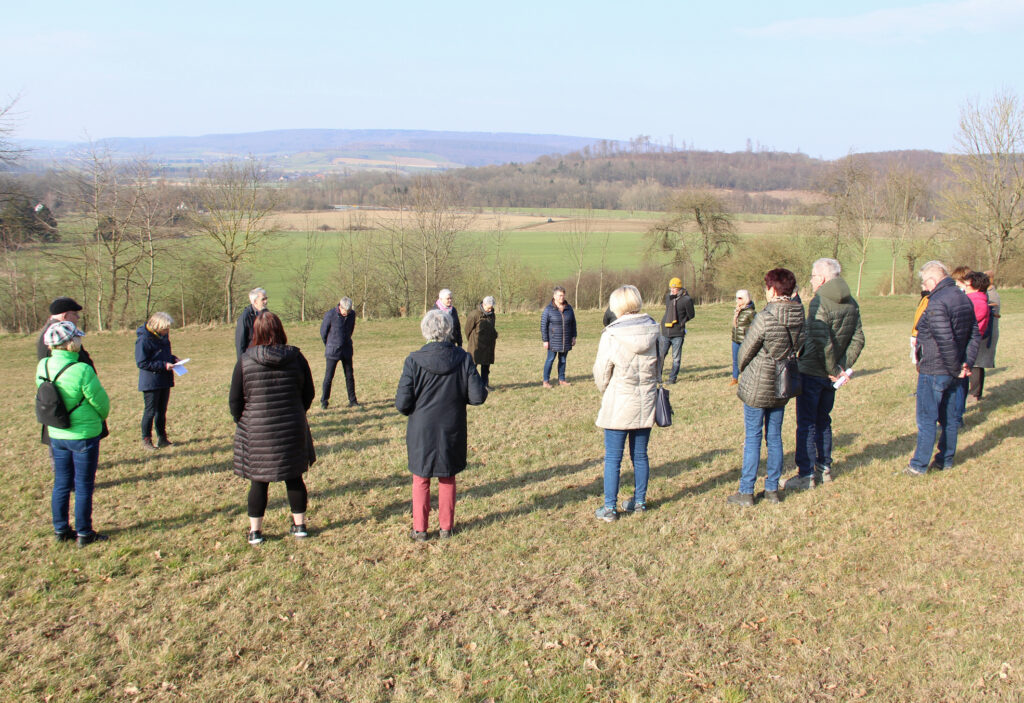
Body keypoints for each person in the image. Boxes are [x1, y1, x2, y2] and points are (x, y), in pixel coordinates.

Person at [396, 310, 487, 541]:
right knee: (447, 477)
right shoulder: (463, 358)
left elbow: (402, 404)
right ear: (448, 330)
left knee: (421, 478)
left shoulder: (413, 360)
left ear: (425, 330)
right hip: (451, 427)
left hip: (421, 429)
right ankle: (446, 528)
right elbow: (477, 396)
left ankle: (420, 530)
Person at [229, 311, 315, 544]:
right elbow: (308, 393)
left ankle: (255, 531)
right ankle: (300, 525)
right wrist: (296, 412)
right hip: (290, 427)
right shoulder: (297, 358)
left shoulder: (245, 361)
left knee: (259, 481)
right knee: (294, 478)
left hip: (258, 431)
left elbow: (235, 401)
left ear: (256, 332)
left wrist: (246, 422)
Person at [784, 259, 865, 491]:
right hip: (831, 374)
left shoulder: (819, 301)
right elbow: (858, 338)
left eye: (812, 276)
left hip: (813, 371)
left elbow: (821, 342)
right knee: (823, 420)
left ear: (821, 278)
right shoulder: (852, 302)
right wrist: (841, 367)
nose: (810, 280)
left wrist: (834, 369)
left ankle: (806, 475)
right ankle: (824, 468)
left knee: (807, 423)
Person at [728, 268, 805, 506]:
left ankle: (746, 491)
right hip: (782, 383)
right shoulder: (800, 315)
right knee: (775, 437)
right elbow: (800, 345)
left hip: (757, 384)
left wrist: (741, 370)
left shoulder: (765, 317)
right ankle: (772, 489)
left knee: (753, 437)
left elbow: (745, 352)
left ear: (772, 290)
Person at [36, 321, 110, 547]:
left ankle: (60, 529)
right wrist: (98, 417)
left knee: (61, 482)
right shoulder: (82, 369)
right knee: (83, 484)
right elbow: (102, 404)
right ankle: (84, 533)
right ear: (70, 343)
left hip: (57, 433)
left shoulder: (43, 366)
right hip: (84, 434)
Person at [592, 285, 660, 522]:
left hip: (619, 401)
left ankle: (610, 508)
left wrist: (606, 389)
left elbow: (601, 374)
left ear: (617, 306)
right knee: (640, 455)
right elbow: (659, 367)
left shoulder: (611, 334)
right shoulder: (655, 330)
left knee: (613, 457)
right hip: (646, 400)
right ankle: (639, 502)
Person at [906, 261, 980, 475]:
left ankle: (919, 465)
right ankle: (945, 460)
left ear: (933, 280)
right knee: (949, 419)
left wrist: (957, 366)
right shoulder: (962, 297)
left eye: (924, 283)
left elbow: (944, 339)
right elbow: (975, 334)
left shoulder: (937, 301)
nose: (923, 287)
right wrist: (967, 362)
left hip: (937, 369)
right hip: (955, 369)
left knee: (927, 419)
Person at [37, 297, 107, 444]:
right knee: (63, 449)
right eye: (75, 314)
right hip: (66, 402)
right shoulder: (54, 334)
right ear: (64, 316)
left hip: (72, 398)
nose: (77, 317)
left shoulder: (60, 331)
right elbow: (52, 374)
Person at [135, 312, 179, 451]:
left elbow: (163, 354)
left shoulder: (163, 336)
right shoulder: (143, 340)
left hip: (164, 378)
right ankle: (146, 440)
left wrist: (173, 359)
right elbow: (142, 362)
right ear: (156, 326)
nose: (167, 332)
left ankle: (162, 438)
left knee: (162, 411)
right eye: (165, 329)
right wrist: (163, 365)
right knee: (150, 411)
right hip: (151, 381)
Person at [320, 296, 358, 409]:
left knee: (349, 376)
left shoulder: (352, 315)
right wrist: (329, 344)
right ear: (340, 307)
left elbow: (351, 330)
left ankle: (353, 400)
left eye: (349, 311)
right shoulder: (330, 315)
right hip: (332, 351)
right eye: (345, 311)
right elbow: (323, 332)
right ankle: (324, 401)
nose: (347, 313)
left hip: (346, 350)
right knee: (328, 377)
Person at [657, 277, 695, 384]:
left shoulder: (686, 300)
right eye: (671, 288)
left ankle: (672, 378)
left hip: (678, 333)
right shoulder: (668, 298)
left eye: (675, 288)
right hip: (665, 332)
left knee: (676, 358)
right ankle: (658, 377)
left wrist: (681, 322)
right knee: (661, 355)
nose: (672, 290)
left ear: (680, 288)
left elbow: (691, 315)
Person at [962, 271, 991, 402]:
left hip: (970, 340)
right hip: (967, 339)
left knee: (972, 366)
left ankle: (973, 394)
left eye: (968, 286)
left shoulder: (978, 303)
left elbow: (965, 322)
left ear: (977, 287)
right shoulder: (972, 300)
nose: (965, 288)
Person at [540, 286, 577, 387]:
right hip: (553, 340)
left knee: (563, 360)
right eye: (560, 295)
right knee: (550, 359)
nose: (562, 297)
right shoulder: (548, 309)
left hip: (566, 339)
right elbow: (543, 325)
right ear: (554, 296)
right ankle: (546, 381)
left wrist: (574, 336)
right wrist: (545, 340)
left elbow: (573, 323)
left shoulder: (569, 309)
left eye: (563, 295)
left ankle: (562, 380)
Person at [974, 272, 1001, 395]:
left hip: (986, 333)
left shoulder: (991, 295)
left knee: (978, 362)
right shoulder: (987, 294)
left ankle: (975, 393)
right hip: (985, 331)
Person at [465, 296, 498, 389]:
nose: (490, 309)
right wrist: (472, 340)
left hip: (489, 345)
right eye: (488, 307)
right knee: (473, 366)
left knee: (486, 367)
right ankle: (470, 386)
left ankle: (485, 385)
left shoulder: (492, 314)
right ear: (483, 304)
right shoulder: (474, 314)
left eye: (491, 307)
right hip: (476, 345)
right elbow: (467, 329)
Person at [730, 290, 755, 386]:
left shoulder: (751, 312)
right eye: (737, 298)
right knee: (735, 359)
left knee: (746, 360)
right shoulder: (737, 310)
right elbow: (735, 324)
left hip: (745, 340)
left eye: (740, 298)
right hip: (735, 339)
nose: (737, 300)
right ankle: (735, 378)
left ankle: (747, 378)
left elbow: (755, 326)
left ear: (746, 299)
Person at [235, 287, 268, 358]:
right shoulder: (245, 317)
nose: (266, 301)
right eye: (263, 299)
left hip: (266, 355)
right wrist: (241, 363)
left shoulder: (267, 314)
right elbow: (240, 342)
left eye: (266, 298)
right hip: (252, 357)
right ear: (255, 301)